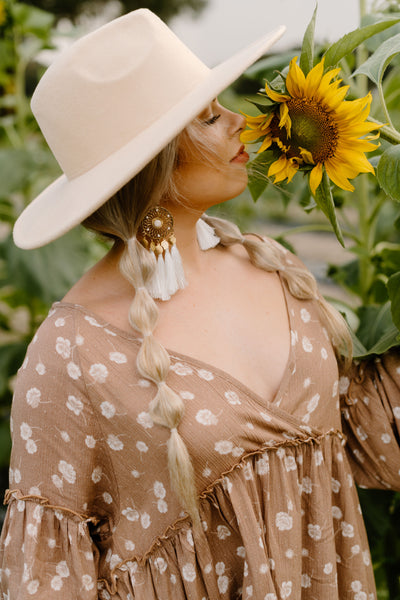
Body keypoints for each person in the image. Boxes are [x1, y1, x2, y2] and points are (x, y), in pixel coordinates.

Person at [0, 8, 399, 600]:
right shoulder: (70, 354)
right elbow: (50, 578)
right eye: (210, 117)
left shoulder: (270, 263)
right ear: (153, 164)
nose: (243, 122)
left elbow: (370, 436)